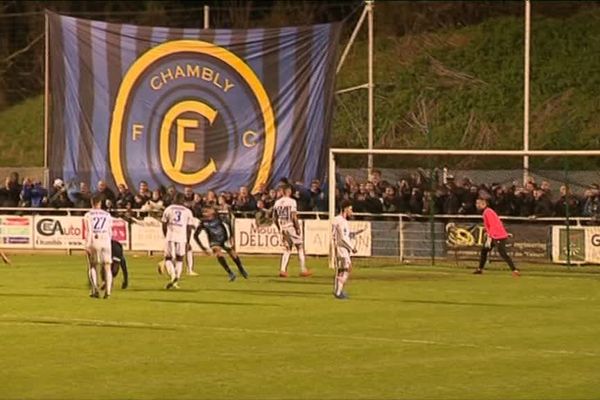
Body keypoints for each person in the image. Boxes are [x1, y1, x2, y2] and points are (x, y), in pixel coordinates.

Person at [193, 207, 248, 281]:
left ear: (212, 212)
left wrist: (231, 236)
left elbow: (229, 224)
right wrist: (203, 248)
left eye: (207, 210)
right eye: (204, 211)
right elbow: (195, 235)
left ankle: (241, 268)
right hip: (214, 241)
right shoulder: (203, 222)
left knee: (232, 253)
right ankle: (230, 273)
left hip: (223, 238)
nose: (205, 212)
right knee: (218, 253)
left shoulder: (219, 218)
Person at [272, 184, 312, 278]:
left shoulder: (277, 203)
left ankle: (282, 270)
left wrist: (279, 228)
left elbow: (274, 218)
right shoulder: (292, 202)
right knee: (300, 247)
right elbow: (294, 216)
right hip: (291, 227)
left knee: (287, 249)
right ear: (288, 191)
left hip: (283, 227)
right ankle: (303, 269)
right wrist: (297, 227)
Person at [473, 198, 520, 276]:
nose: (477, 205)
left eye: (478, 203)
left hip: (497, 236)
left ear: (484, 204)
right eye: (476, 203)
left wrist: (491, 236)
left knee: (503, 253)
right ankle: (480, 269)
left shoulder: (487, 212)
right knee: (484, 250)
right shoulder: (487, 212)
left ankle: (514, 270)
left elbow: (493, 225)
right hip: (495, 235)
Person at [161, 193, 195, 289]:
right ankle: (176, 281)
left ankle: (173, 277)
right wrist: (188, 241)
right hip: (182, 238)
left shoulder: (168, 209)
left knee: (168, 259)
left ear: (174, 199)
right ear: (183, 200)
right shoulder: (188, 211)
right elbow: (189, 228)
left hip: (170, 236)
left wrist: (166, 235)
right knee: (180, 259)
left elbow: (164, 224)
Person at [83, 195, 113, 299]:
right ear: (100, 203)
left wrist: (87, 244)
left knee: (92, 265)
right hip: (106, 240)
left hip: (94, 240)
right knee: (107, 267)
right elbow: (110, 230)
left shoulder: (88, 215)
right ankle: (108, 292)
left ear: (92, 203)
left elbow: (88, 230)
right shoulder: (107, 215)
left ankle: (95, 289)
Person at [332, 200, 357, 299]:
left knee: (341, 269)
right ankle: (338, 292)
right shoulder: (342, 221)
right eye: (350, 209)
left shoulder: (336, 219)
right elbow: (343, 237)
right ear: (345, 209)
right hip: (342, 248)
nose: (352, 211)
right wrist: (352, 247)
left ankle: (338, 290)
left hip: (337, 246)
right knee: (347, 268)